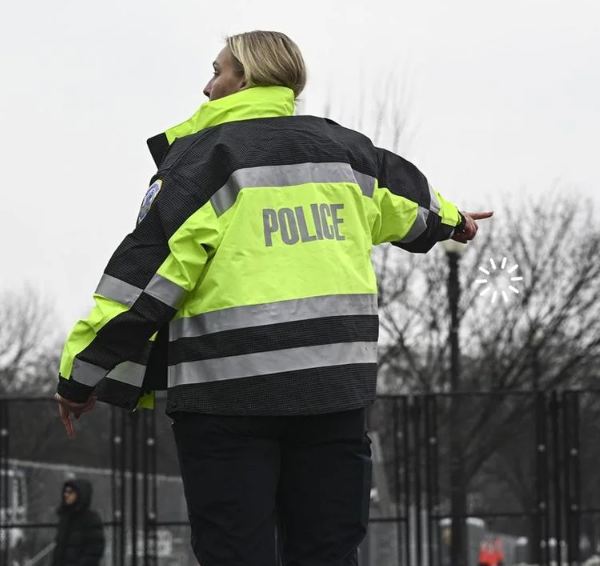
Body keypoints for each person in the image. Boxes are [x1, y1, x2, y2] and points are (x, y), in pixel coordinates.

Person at [54, 30, 492, 565]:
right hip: (334, 393)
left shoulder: (205, 162)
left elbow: (142, 282)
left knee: (236, 552)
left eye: (217, 71)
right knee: (328, 552)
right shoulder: (349, 153)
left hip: (227, 398)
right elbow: (410, 203)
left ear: (245, 78)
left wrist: (80, 375)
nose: (207, 86)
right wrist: (454, 222)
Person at [51, 479, 105, 566]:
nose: (66, 495)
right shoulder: (65, 518)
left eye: (70, 492)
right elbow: (59, 551)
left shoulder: (91, 519)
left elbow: (94, 551)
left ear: (80, 494)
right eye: (65, 492)